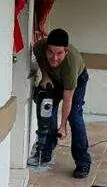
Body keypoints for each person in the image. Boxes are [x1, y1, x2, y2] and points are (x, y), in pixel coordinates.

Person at [31, 28, 91, 178]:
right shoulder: (39, 47)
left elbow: (68, 99)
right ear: (46, 48)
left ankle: (83, 163)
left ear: (66, 52)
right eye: (50, 52)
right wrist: (45, 76)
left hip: (78, 79)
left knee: (74, 117)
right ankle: (45, 152)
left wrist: (63, 125)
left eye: (59, 53)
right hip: (53, 78)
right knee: (47, 107)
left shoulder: (70, 66)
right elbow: (39, 57)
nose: (54, 58)